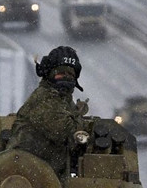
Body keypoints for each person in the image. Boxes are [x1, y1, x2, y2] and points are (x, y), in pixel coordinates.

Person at [5, 45, 89, 178]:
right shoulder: (44, 99)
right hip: (24, 175)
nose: (66, 78)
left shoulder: (62, 99)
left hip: (45, 174)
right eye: (61, 73)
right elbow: (66, 133)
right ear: (49, 74)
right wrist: (78, 115)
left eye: (70, 74)